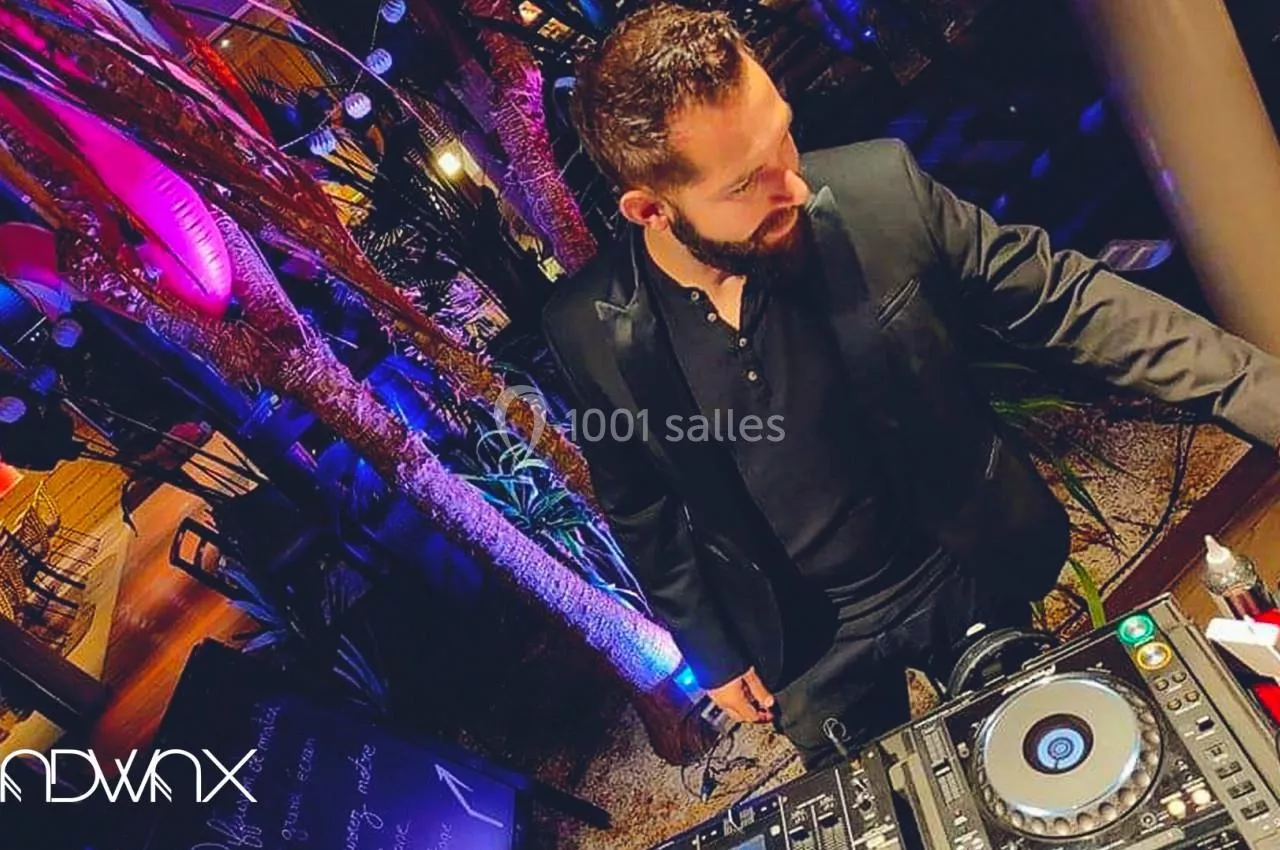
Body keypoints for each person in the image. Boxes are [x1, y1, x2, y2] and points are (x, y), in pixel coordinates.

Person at [540, 3, 1280, 770]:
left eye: (782, 135)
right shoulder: (585, 330)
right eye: (747, 182)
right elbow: (640, 504)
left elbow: (1072, 302)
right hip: (807, 640)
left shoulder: (880, 192)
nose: (794, 185)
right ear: (651, 209)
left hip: (959, 564)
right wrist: (711, 648)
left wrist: (1264, 395)